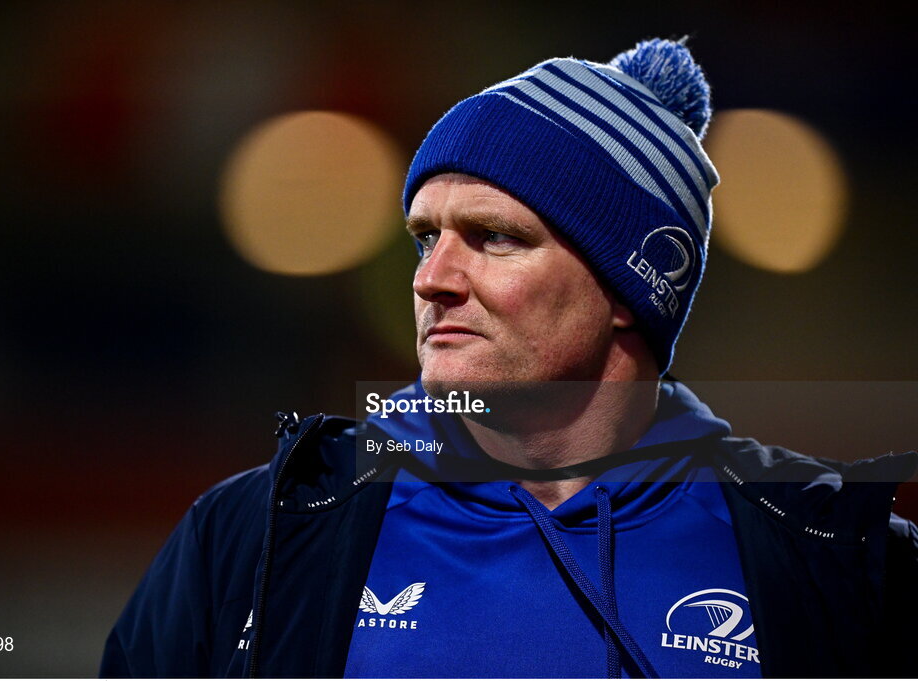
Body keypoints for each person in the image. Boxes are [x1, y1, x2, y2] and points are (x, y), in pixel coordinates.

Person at [101, 38, 918, 678]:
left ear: (631, 287)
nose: (431, 279)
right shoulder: (255, 535)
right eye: (426, 236)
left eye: (494, 237)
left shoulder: (837, 562)